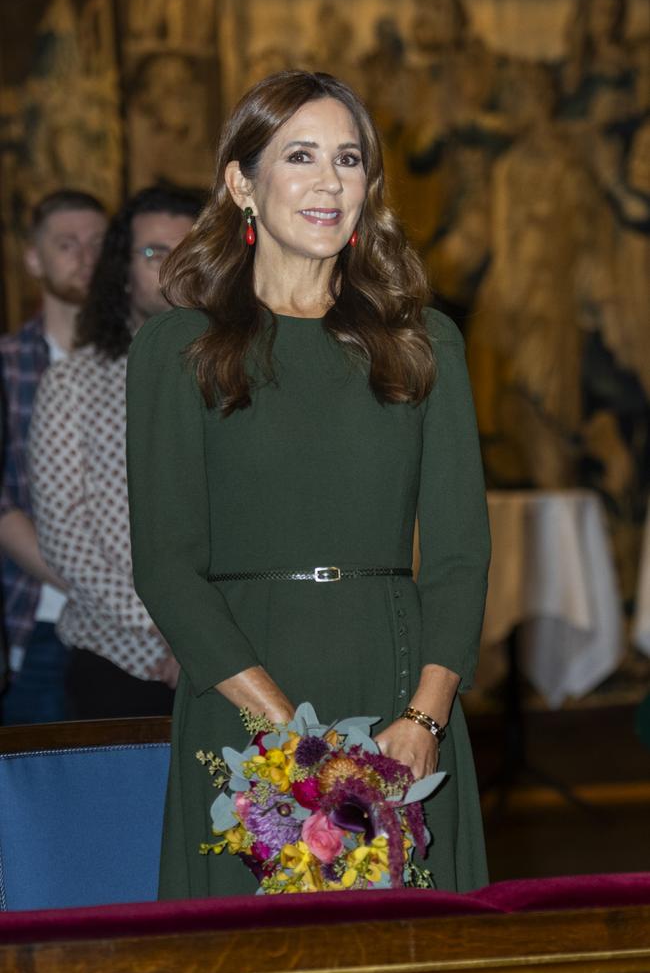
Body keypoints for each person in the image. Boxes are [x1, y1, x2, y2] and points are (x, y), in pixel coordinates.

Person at [126, 70, 490, 899]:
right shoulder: (179, 349)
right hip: (244, 700)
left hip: (404, 704)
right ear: (242, 182)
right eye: (301, 155)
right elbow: (168, 567)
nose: (330, 181)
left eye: (349, 159)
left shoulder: (423, 341)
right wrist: (288, 735)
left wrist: (426, 718)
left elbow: (462, 554)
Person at [28, 186, 202, 720]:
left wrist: (210, 635)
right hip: (116, 656)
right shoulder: (72, 383)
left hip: (239, 657)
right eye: (154, 253)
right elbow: (65, 538)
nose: (174, 267)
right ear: (122, 269)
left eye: (190, 251)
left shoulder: (249, 376)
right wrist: (172, 627)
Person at [0, 189, 107, 724]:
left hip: (142, 630)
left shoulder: (146, 363)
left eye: (97, 244)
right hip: (37, 617)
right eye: (67, 245)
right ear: (34, 258)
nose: (85, 258)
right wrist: (100, 589)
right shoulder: (8, 365)